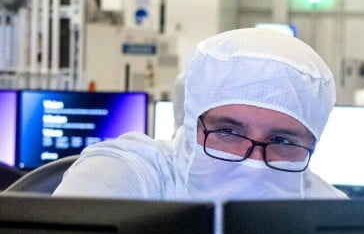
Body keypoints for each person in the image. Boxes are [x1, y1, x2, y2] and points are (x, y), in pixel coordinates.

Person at [54, 27, 345, 201]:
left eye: (282, 140)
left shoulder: (329, 217)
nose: (253, 159)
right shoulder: (135, 177)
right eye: (228, 132)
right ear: (191, 125)